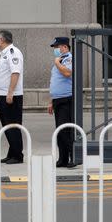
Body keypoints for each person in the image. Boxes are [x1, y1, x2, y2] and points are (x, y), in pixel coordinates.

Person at [0, 30, 24, 164]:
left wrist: (10, 92)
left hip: (10, 96)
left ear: (1, 40)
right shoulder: (4, 54)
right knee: (7, 125)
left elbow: (15, 73)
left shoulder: (13, 52)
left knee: (12, 125)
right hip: (2, 95)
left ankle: (17, 155)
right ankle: (12, 153)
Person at [48, 37, 75, 168]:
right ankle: (62, 158)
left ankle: (72, 157)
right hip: (57, 99)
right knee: (59, 131)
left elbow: (67, 73)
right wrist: (51, 101)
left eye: (56, 47)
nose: (55, 50)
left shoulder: (69, 59)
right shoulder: (60, 60)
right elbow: (55, 82)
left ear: (64, 47)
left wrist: (57, 63)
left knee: (65, 130)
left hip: (66, 99)